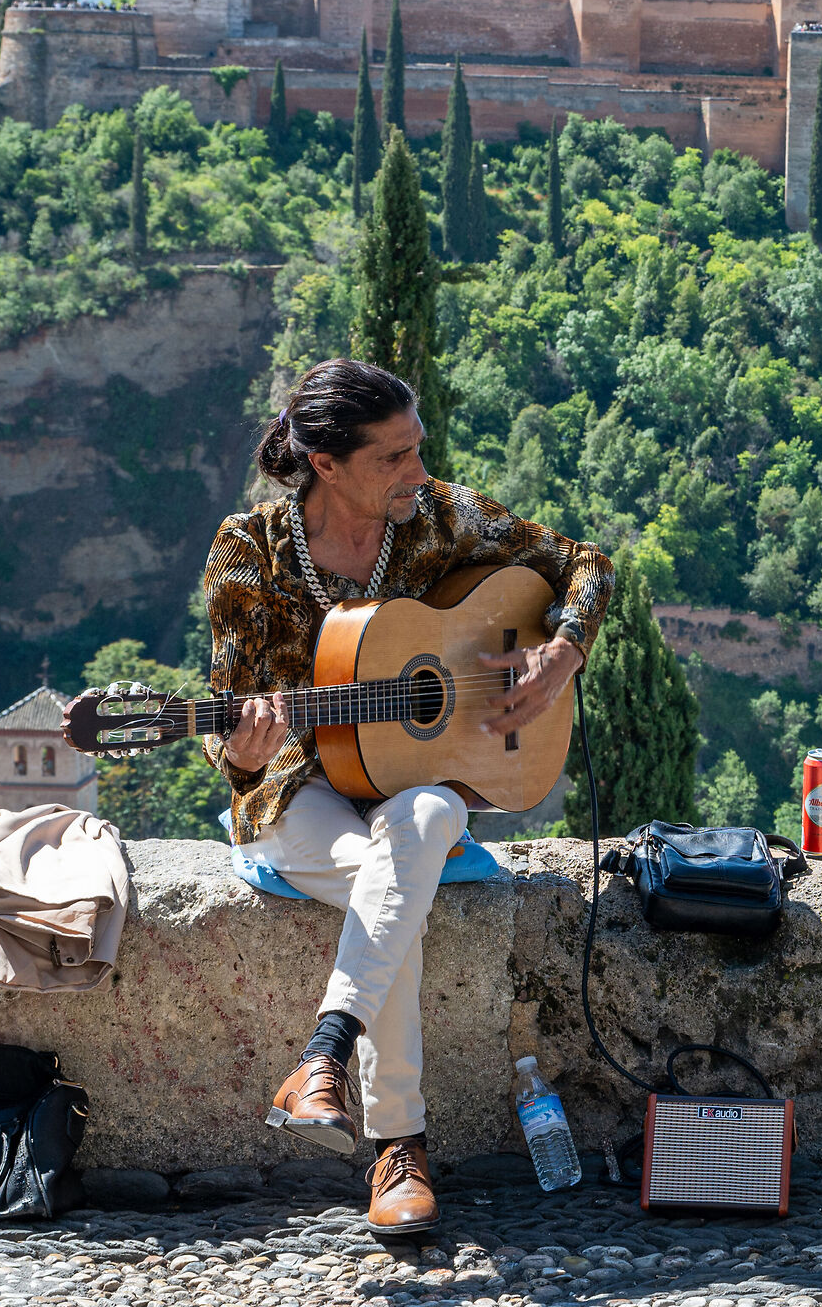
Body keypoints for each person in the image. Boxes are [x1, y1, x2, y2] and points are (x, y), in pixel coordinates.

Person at [204, 358, 613, 1233]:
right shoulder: (252, 550)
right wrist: (242, 745)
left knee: (428, 814)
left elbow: (583, 564)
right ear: (324, 463)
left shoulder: (436, 518)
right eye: (393, 458)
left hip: (408, 784)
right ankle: (401, 1145)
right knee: (394, 879)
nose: (418, 473)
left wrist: (561, 653)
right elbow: (234, 732)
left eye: (417, 449)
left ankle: (324, 1059)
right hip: (302, 786)